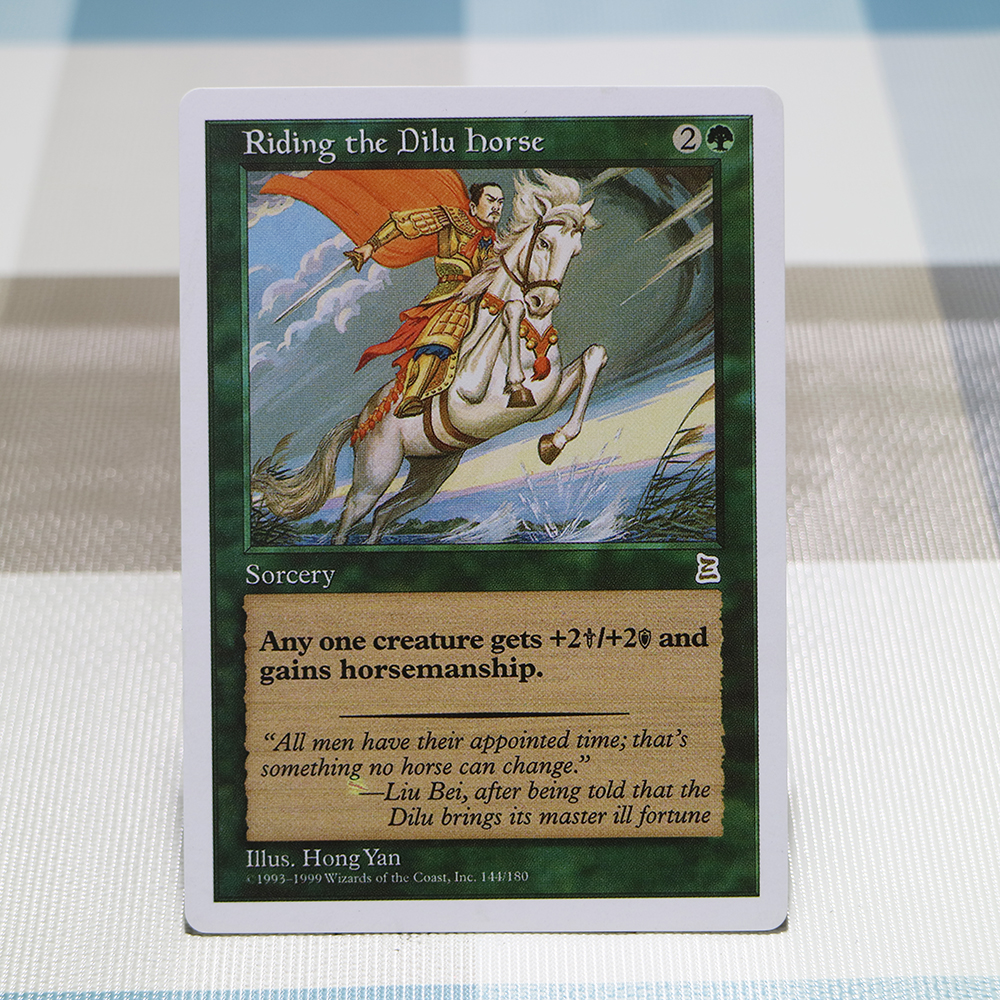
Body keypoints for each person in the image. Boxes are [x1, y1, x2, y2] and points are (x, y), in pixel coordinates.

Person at [346, 182, 504, 418]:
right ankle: (413, 395)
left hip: (483, 296)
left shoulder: (496, 243)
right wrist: (371, 245)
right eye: (491, 200)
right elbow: (404, 222)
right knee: (450, 324)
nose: (496, 207)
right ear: (473, 207)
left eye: (500, 203)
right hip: (453, 294)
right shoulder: (452, 219)